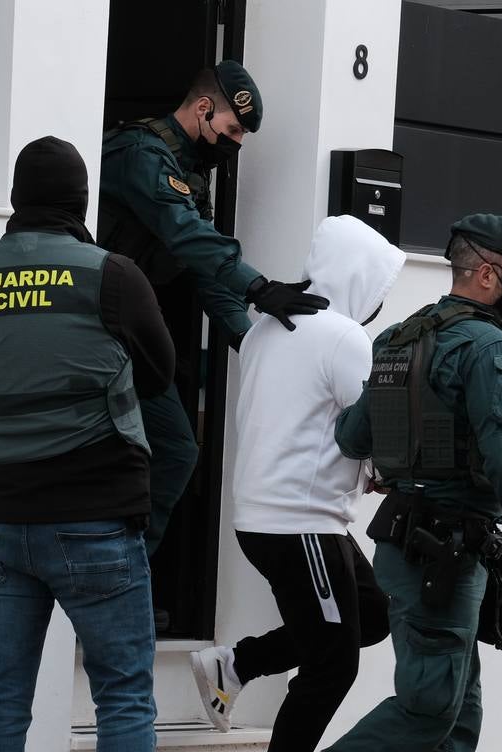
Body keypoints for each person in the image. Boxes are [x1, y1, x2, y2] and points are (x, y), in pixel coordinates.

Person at [269, 214, 502, 752]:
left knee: (455, 706)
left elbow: (350, 435)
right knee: (432, 703)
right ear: (489, 275)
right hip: (445, 547)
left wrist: (407, 456)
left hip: (409, 542)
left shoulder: (398, 341)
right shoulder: (486, 351)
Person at [0, 136, 177, 752]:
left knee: (0, 700)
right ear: (82, 204)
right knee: (123, 699)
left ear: (16, 198)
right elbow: (159, 371)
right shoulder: (112, 275)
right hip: (95, 518)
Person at [188, 216, 401, 752]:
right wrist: (382, 471)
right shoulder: (342, 336)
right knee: (333, 664)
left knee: (370, 615)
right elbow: (373, 428)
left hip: (265, 518)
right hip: (302, 520)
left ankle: (239, 661)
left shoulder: (267, 328)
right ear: (362, 278)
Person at [99, 60, 327, 554]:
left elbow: (206, 268)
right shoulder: (141, 154)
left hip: (128, 334)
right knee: (130, 454)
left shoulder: (189, 171)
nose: (235, 145)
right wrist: (259, 286)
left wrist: (252, 339)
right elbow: (187, 234)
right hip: (94, 327)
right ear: (203, 108)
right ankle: (112, 566)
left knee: (176, 451)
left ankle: (127, 563)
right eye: (231, 130)